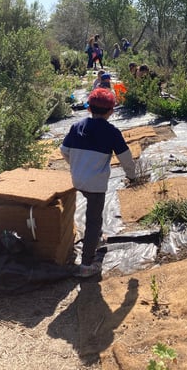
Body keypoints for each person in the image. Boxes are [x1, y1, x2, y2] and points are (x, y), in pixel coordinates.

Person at [60, 88, 136, 278]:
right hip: (95, 184)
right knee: (93, 220)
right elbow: (126, 159)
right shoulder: (112, 132)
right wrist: (132, 177)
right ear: (111, 111)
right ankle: (86, 265)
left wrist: (76, 165)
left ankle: (97, 239)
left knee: (93, 214)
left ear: (89, 109)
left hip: (77, 179)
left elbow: (64, 151)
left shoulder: (76, 126)